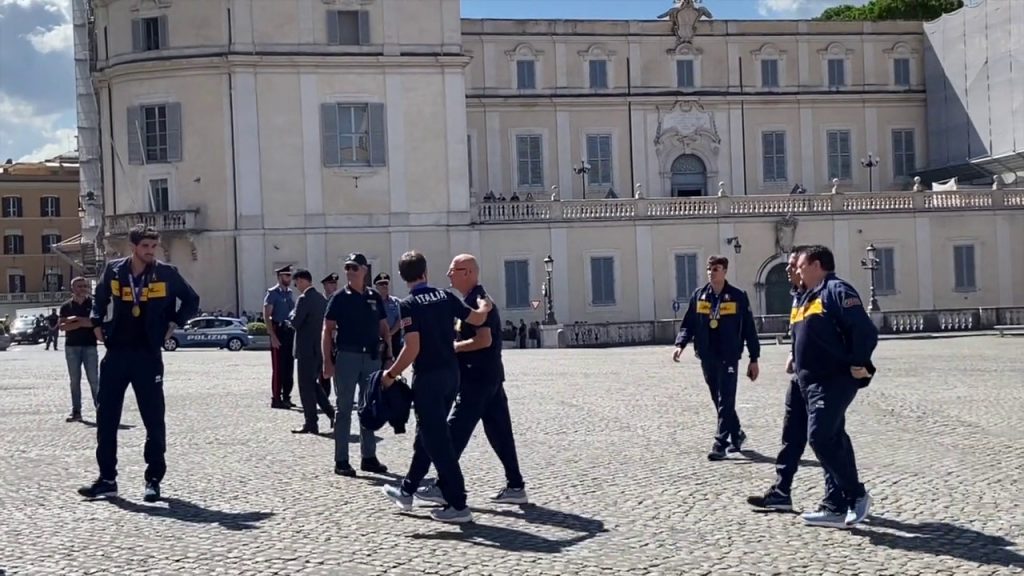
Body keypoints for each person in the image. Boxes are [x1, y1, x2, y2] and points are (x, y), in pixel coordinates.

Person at [77, 224, 200, 502]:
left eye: (153, 246)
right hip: (117, 352)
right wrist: (96, 323)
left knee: (153, 418)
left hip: (148, 354)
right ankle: (107, 479)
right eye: (145, 246)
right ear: (133, 247)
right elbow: (99, 299)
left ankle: (153, 479)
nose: (150, 251)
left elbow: (191, 300)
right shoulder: (114, 270)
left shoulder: (167, 273)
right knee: (106, 417)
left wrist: (174, 323)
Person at [380, 250, 493, 523]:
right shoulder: (446, 296)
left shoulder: (408, 305)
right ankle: (407, 490)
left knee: (438, 442)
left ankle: (458, 504)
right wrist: (485, 306)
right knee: (428, 434)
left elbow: (412, 347)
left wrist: (391, 374)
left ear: (402, 277)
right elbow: (477, 319)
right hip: (451, 375)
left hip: (428, 378)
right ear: (425, 272)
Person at [409, 254, 528, 507]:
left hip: (477, 377)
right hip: (490, 376)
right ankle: (516, 485)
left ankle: (443, 486)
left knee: (453, 432)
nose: (448, 275)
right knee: (500, 433)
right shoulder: (473, 300)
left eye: (453, 270)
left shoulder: (477, 300)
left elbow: (484, 339)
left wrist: (452, 348)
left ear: (468, 272)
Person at [790, 245, 877, 528]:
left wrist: (858, 361)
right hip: (810, 382)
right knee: (833, 437)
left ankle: (856, 495)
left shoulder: (837, 290)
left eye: (802, 265)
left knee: (820, 437)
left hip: (832, 379)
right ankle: (835, 505)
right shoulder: (808, 295)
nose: (798, 270)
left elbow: (864, 330)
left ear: (817, 265)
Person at [672, 255, 760, 461]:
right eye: (709, 269)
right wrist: (680, 344)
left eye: (716, 269)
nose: (711, 273)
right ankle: (737, 433)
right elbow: (689, 323)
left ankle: (720, 443)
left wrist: (754, 357)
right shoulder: (699, 295)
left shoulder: (738, 296)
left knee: (726, 398)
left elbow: (749, 328)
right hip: (707, 354)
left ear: (725, 271)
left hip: (729, 355)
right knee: (717, 398)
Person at [747, 247, 806, 512]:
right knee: (790, 436)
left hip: (821, 379)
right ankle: (782, 491)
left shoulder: (827, 294)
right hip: (799, 377)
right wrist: (793, 354)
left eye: (794, 265)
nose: (789, 270)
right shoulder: (798, 297)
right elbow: (800, 332)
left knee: (826, 439)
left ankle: (845, 495)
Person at [321, 253, 390, 477]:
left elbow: (383, 327)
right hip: (347, 357)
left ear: (364, 270)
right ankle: (341, 459)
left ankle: (368, 457)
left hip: (371, 358)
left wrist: (389, 355)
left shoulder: (374, 296)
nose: (350, 271)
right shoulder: (339, 297)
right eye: (347, 268)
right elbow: (327, 330)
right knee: (343, 409)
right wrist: (327, 361)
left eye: (354, 268)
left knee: (368, 407)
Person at [289, 268, 336, 434]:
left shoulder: (304, 299)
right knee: (312, 384)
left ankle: (311, 422)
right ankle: (330, 412)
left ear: (302, 280)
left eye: (297, 283)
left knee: (305, 387)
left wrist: (291, 316)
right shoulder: (321, 299)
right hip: (319, 348)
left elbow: (295, 322)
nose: (296, 286)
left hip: (306, 349)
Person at [59, 277, 100, 422]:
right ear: (72, 288)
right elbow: (62, 326)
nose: (82, 288)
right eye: (79, 286)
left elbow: (94, 323)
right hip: (72, 347)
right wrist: (81, 322)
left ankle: (100, 410)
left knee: (94, 380)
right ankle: (76, 411)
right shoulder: (66, 306)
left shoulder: (93, 304)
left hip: (90, 346)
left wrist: (75, 321)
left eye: (84, 286)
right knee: (74, 381)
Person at [264, 265, 296, 409]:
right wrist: (272, 335)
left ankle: (286, 396)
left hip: (289, 331)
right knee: (278, 367)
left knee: (289, 366)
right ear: (279, 277)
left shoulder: (289, 293)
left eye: (290, 276)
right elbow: (267, 315)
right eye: (286, 276)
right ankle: (276, 398)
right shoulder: (272, 293)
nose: (289, 278)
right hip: (278, 330)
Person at [374, 272, 403, 368]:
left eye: (386, 283)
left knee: (395, 366)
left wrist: (390, 333)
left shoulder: (396, 301)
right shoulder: (373, 302)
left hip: (394, 337)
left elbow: (400, 319)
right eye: (381, 284)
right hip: (378, 338)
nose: (384, 286)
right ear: (376, 287)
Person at [319, 272, 339, 398]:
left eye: (335, 283)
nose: (334, 286)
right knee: (324, 369)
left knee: (339, 368)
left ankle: (340, 395)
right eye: (331, 283)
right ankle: (324, 397)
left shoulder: (339, 300)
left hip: (337, 339)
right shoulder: (320, 301)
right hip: (324, 338)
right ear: (325, 285)